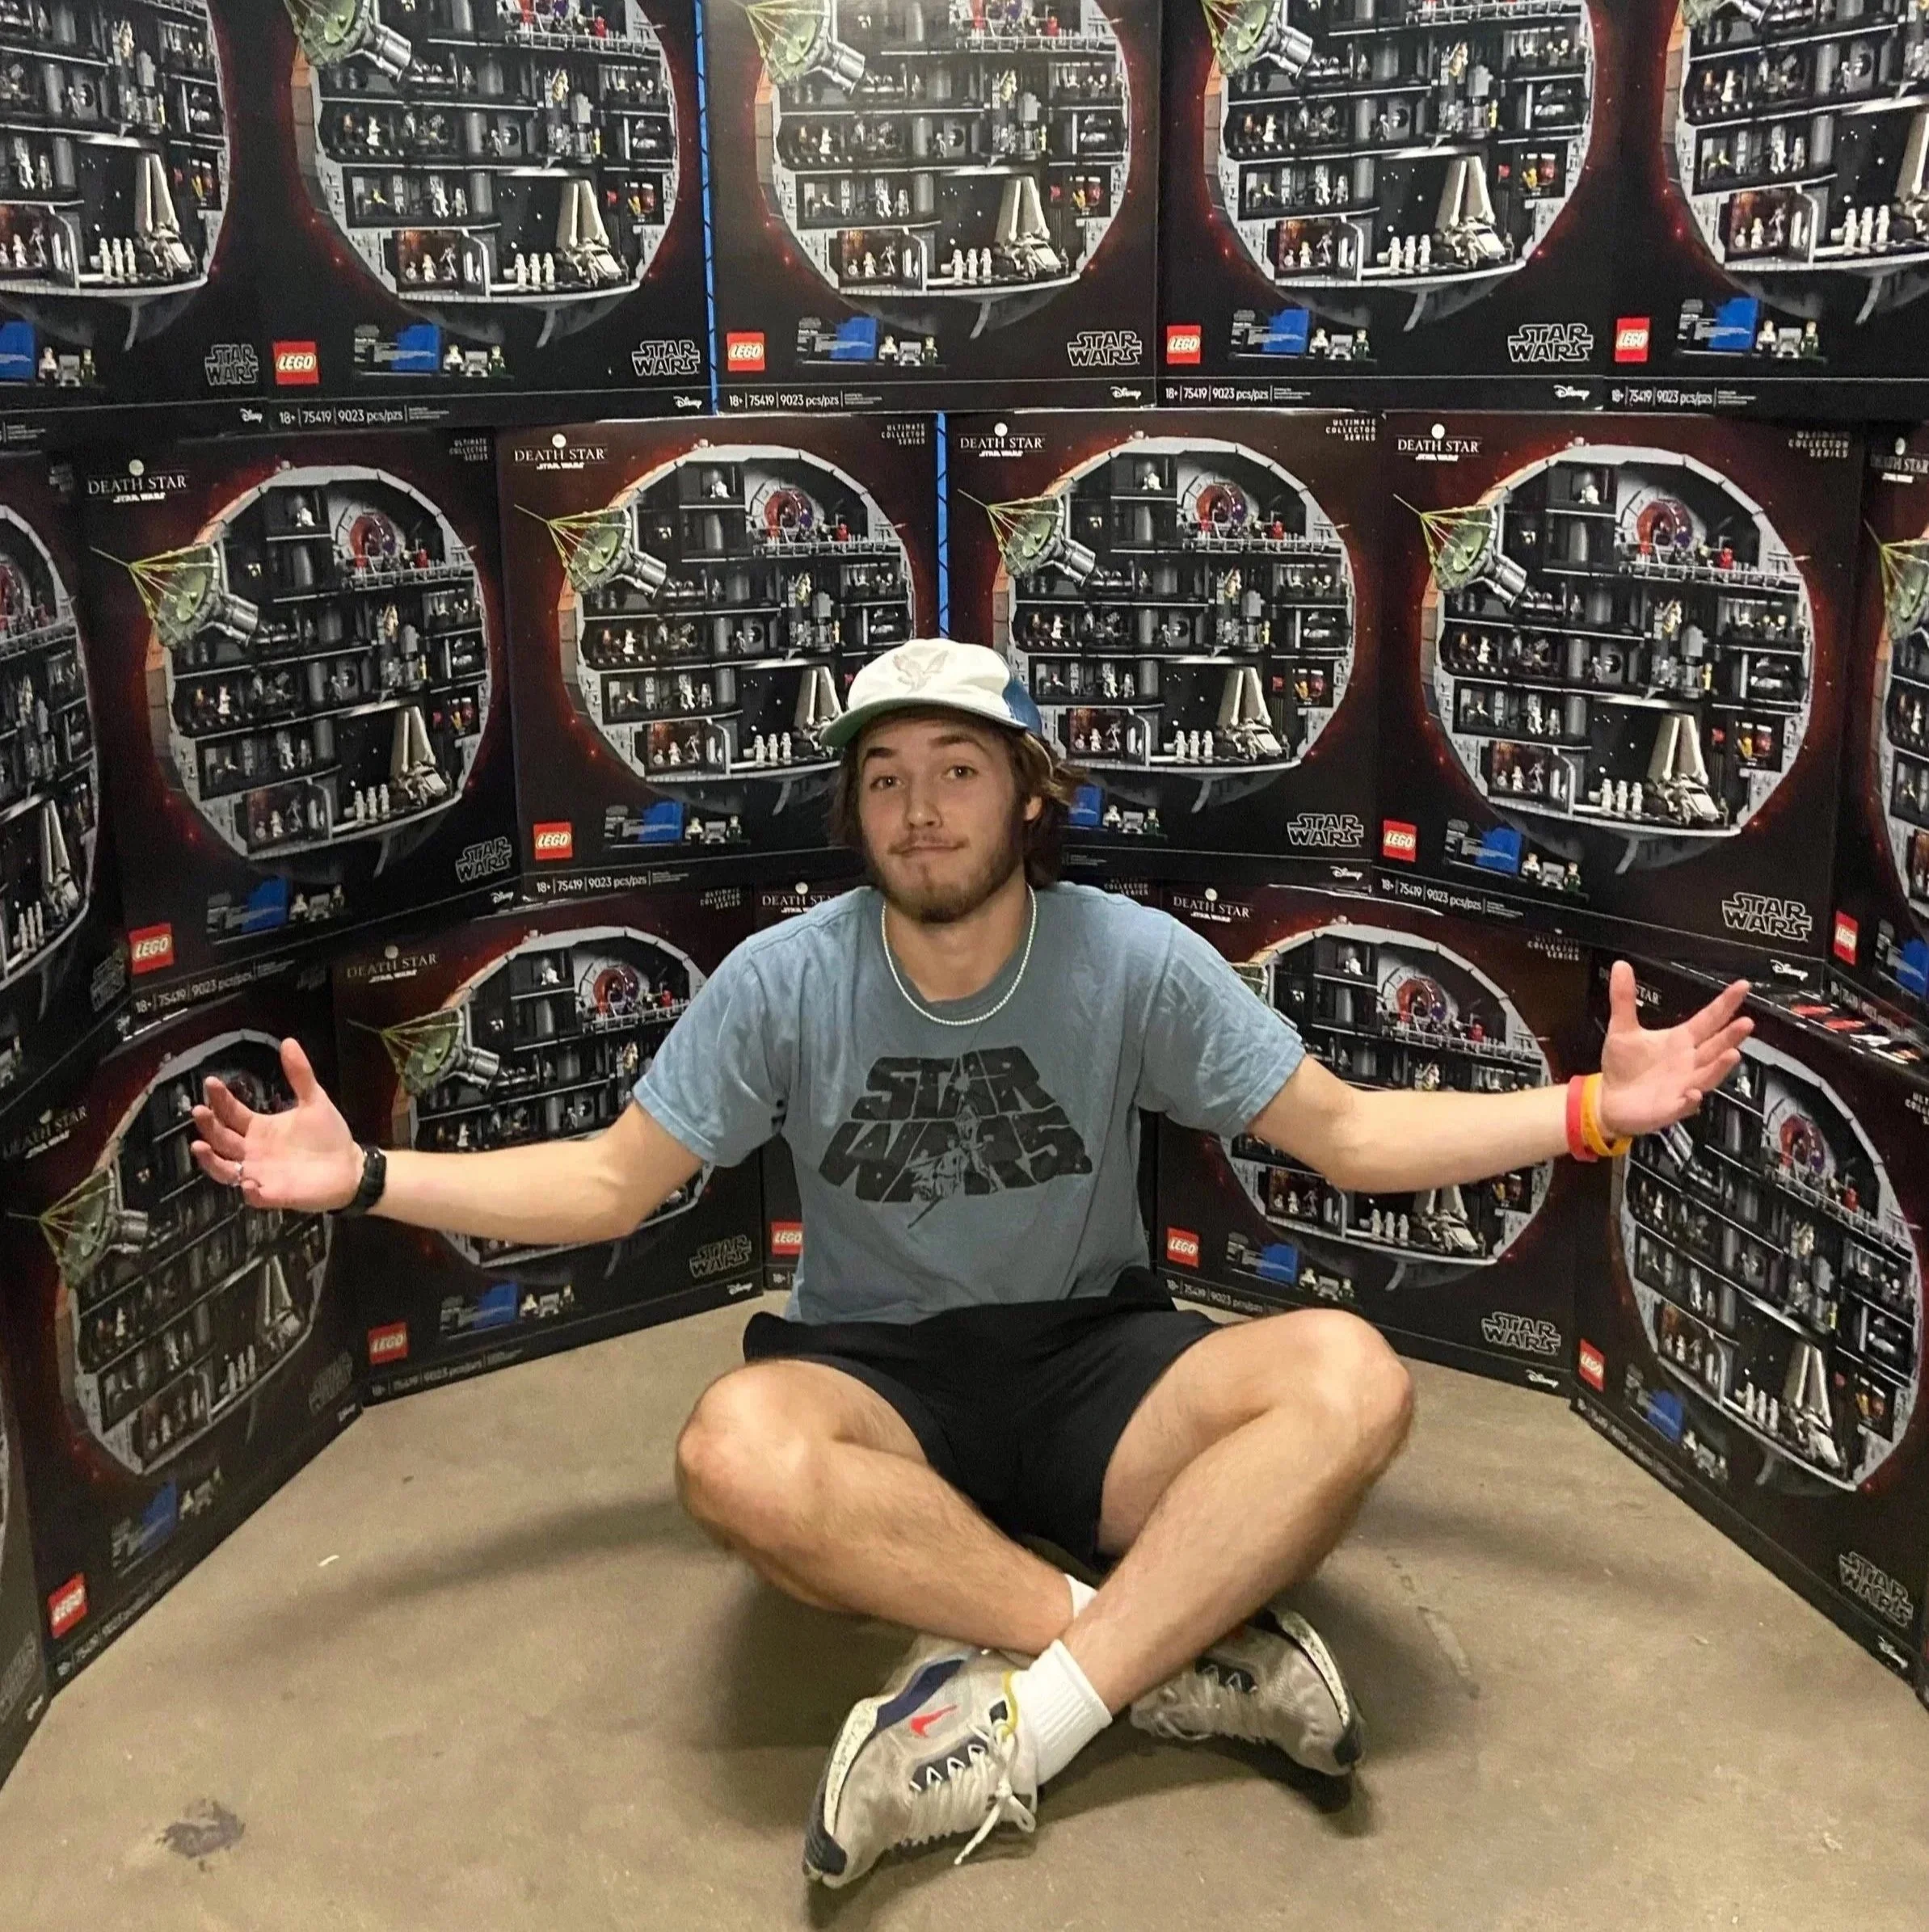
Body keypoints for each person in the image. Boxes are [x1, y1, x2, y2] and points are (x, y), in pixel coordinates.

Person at [189, 640, 1751, 1889]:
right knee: (733, 1452)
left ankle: (1025, 1709)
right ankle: (1161, 1653)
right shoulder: (781, 983)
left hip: (1098, 1363)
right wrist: (367, 1173)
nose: (920, 808)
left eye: (957, 770)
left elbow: (1340, 1134)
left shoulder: (1129, 959)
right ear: (854, 809)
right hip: (877, 1376)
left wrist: (1586, 1110)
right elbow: (610, 1183)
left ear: (1024, 795)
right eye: (885, 778)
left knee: (1349, 1378)